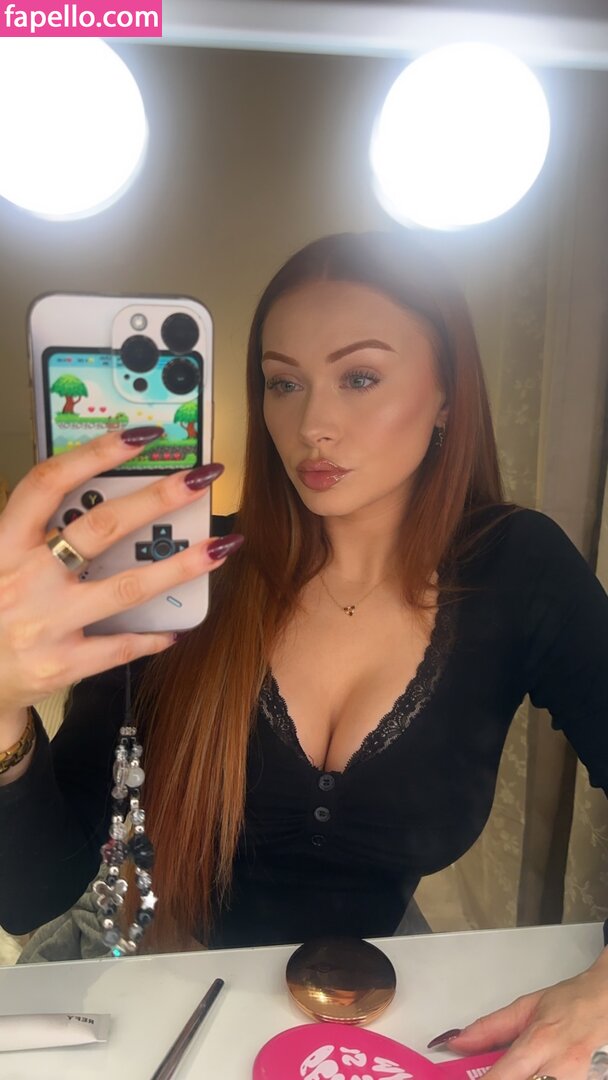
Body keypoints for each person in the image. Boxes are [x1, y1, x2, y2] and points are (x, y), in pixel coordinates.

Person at [0, 230, 607, 1078]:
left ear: (446, 395)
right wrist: (4, 705)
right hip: (154, 990)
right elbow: (32, 892)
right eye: (283, 382)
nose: (312, 425)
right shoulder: (184, 579)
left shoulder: (517, 568)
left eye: (360, 377)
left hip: (390, 1007)